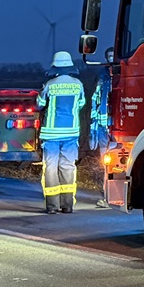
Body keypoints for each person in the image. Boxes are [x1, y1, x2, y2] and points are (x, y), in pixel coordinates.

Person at [36, 51, 86, 213]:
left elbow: (40, 104)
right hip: (71, 132)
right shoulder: (78, 84)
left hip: (51, 133)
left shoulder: (50, 84)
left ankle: (52, 206)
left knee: (50, 167)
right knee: (68, 166)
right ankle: (67, 205)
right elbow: (81, 103)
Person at [88, 71, 113, 208]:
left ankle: (110, 197)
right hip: (104, 131)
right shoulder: (102, 83)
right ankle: (108, 196)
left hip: (111, 131)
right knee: (107, 166)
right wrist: (94, 131)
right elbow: (95, 105)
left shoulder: (108, 82)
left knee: (110, 166)